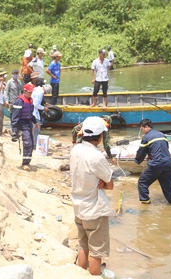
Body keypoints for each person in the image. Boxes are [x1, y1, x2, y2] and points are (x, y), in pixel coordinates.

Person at [70, 116, 115, 277]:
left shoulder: (76, 149)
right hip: (94, 210)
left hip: (78, 206)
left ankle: (80, 275)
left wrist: (101, 180)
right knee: (96, 252)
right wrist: (103, 181)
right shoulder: (97, 157)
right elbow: (110, 185)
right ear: (101, 136)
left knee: (83, 246)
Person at [134, 118, 171, 205]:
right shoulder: (162, 135)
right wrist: (150, 155)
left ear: (146, 127)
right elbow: (164, 148)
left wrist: (137, 160)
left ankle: (145, 202)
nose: (142, 131)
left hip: (156, 164)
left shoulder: (146, 137)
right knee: (167, 184)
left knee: (142, 182)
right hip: (167, 163)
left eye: (142, 129)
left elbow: (141, 152)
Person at [10, 83, 39, 170]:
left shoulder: (30, 100)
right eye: (29, 92)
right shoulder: (19, 101)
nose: (31, 93)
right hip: (22, 123)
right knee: (27, 143)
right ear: (25, 91)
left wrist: (35, 122)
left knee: (31, 143)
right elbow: (15, 116)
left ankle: (28, 161)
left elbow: (30, 113)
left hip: (29, 122)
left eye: (31, 92)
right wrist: (14, 129)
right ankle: (24, 163)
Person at [32, 77, 48, 144]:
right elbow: (36, 104)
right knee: (36, 129)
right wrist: (44, 108)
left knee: (33, 129)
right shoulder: (40, 92)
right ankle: (35, 144)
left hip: (31, 111)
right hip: (34, 112)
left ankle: (33, 143)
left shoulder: (36, 89)